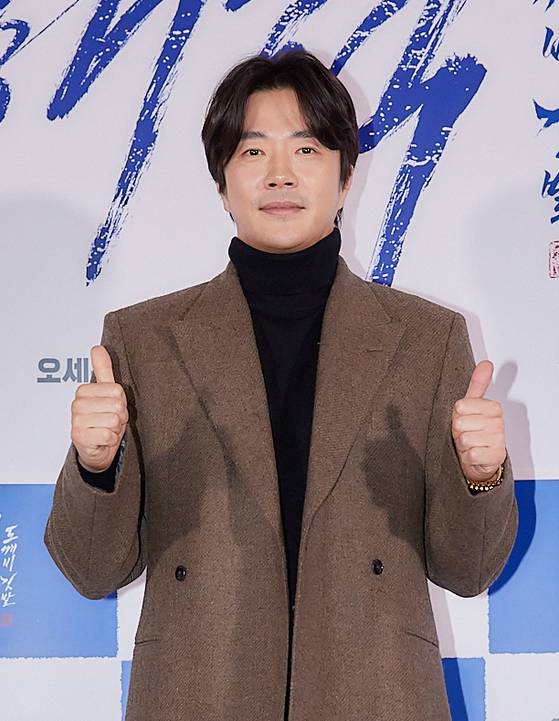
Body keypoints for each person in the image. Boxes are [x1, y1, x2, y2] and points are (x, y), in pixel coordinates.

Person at [44, 49, 518, 721]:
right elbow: (93, 569)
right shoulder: (141, 339)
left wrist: (481, 475)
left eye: (306, 149)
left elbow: (468, 570)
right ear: (222, 182)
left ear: (345, 176)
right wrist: (96, 467)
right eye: (252, 151)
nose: (280, 173)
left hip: (377, 693)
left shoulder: (427, 339)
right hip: (197, 692)